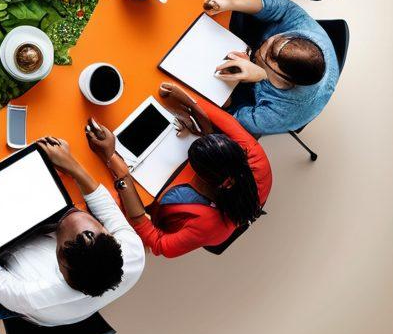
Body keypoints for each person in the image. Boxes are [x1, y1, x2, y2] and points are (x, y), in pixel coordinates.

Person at [0, 136, 144, 326]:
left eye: (61, 228)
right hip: (73, 298)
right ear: (109, 234)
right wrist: (70, 164)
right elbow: (106, 208)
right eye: (83, 215)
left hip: (22, 304)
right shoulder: (132, 254)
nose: (72, 215)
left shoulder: (27, 295)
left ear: (60, 259)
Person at [86, 84, 272, 258]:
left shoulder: (210, 227)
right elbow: (221, 119)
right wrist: (189, 102)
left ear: (204, 178)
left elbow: (158, 244)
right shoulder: (255, 157)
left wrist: (111, 158)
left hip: (149, 201)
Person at [204, 0, 339, 135]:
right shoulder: (310, 34)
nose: (264, 44)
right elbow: (285, 8)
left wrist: (224, 96)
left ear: (281, 81)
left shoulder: (277, 116)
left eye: (264, 54)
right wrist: (232, 2)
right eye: (272, 40)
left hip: (244, 101)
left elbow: (234, 118)